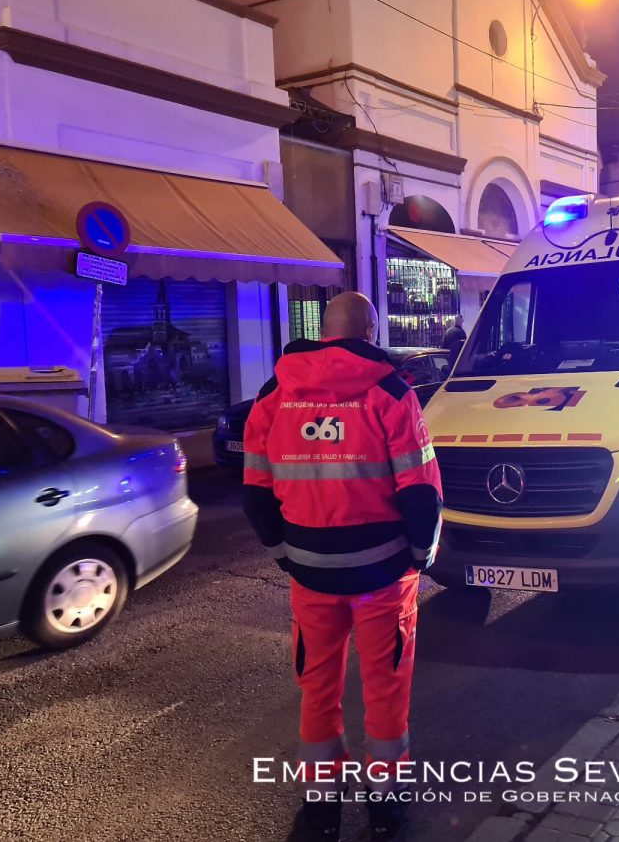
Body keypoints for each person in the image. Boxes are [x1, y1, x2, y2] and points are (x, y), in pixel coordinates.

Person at [242, 292, 443, 842]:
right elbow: (421, 493)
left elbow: (255, 493)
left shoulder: (274, 394)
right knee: (385, 688)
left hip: (311, 574)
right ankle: (385, 807)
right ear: (370, 332)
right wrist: (421, 556)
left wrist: (283, 555)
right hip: (382, 575)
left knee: (317, 688)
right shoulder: (391, 393)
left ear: (324, 330)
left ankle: (322, 807)